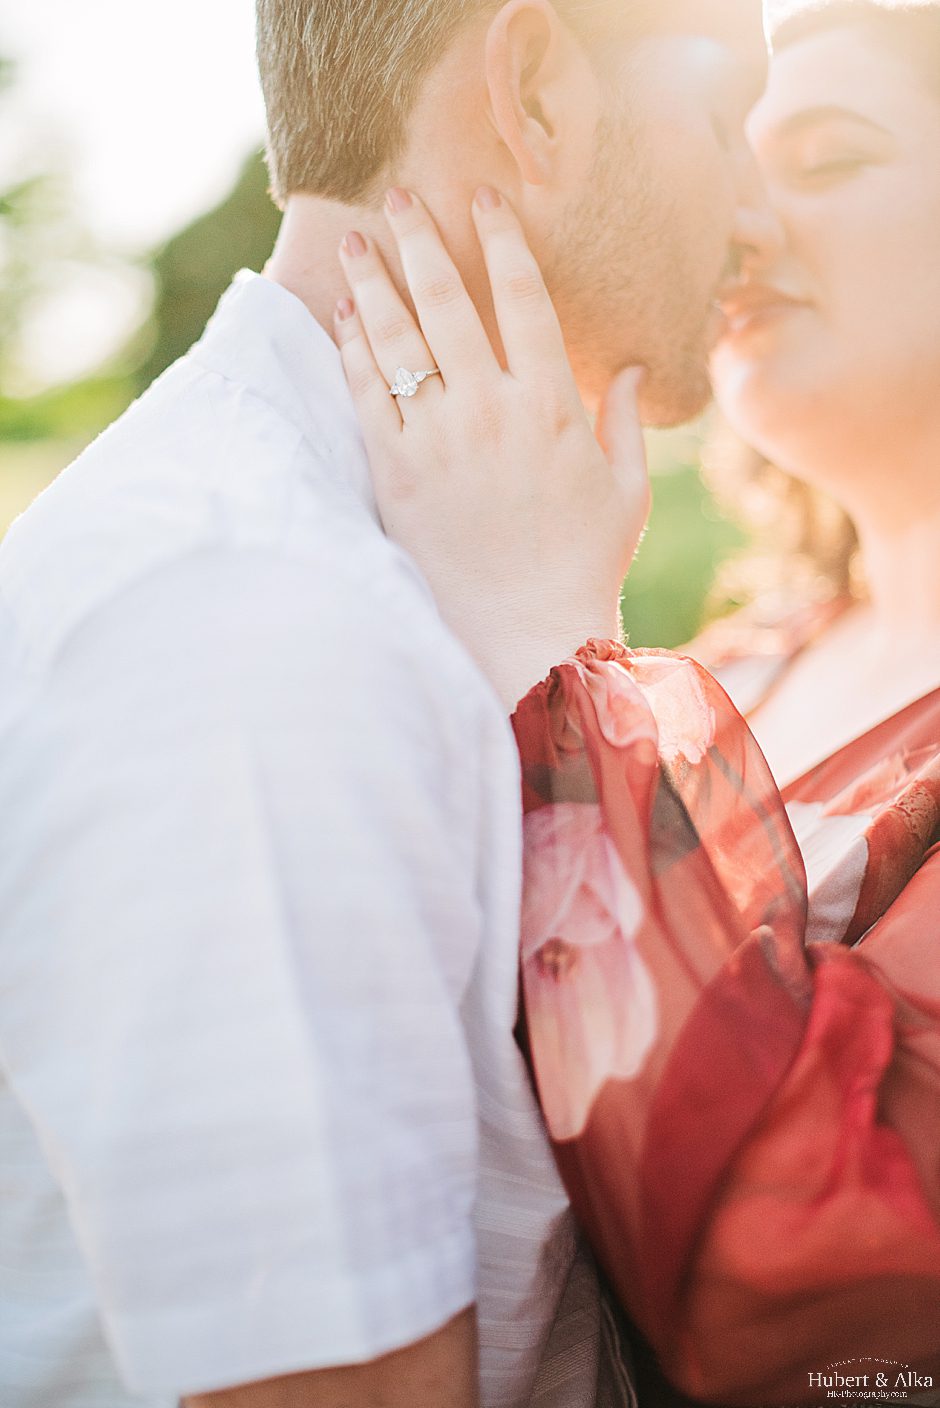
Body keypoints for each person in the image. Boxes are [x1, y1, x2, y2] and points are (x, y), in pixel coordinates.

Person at [0, 2, 781, 1407]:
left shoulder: (382, 572)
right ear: (537, 93)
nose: (757, 198)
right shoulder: (252, 623)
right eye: (725, 118)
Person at [332, 0, 940, 1402]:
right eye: (733, 154)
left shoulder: (596, 669)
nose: (734, 219)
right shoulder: (744, 658)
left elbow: (822, 1289)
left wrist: (548, 641)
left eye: (831, 158)